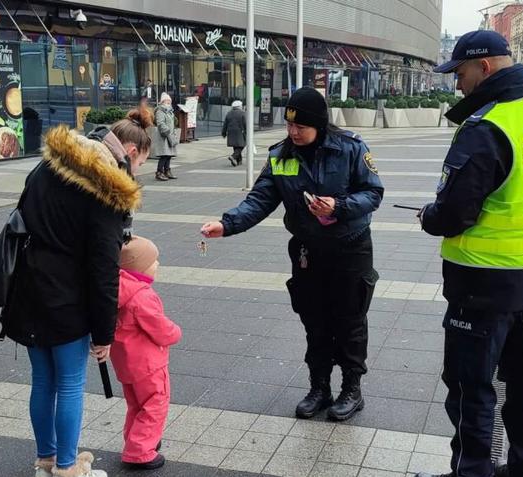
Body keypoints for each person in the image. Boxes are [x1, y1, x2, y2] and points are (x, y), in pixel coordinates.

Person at [413, 30, 523, 477]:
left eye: (461, 73)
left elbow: (454, 214)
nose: (458, 84)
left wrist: (429, 215)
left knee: (473, 388)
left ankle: (473, 475)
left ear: (485, 67)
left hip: (483, 284)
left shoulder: (488, 127)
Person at [201, 87, 384, 421]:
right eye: (289, 125)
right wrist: (227, 225)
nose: (293, 132)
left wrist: (339, 206)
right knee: (314, 320)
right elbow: (260, 199)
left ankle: (351, 389)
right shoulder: (281, 156)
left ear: (319, 123)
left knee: (349, 320)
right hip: (307, 250)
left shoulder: (350, 149)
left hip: (350, 248)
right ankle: (319, 387)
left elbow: (373, 192)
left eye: (301, 126)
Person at [0, 109, 152, 477]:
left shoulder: (45, 168)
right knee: (69, 382)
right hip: (67, 300)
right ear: (129, 152)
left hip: (28, 291)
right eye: (141, 164)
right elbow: (104, 271)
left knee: (43, 381)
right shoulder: (106, 189)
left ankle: (46, 462)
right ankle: (69, 469)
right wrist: (104, 334)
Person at [110, 235, 182, 470]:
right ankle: (139, 451)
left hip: (126, 363)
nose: (158, 264)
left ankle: (136, 438)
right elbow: (159, 328)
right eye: (154, 261)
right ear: (140, 266)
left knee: (136, 404)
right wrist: (175, 332)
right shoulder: (142, 296)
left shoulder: (116, 289)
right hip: (149, 364)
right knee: (155, 403)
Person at [153, 93, 178, 181]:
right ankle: (159, 172)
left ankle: (167, 171)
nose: (169, 102)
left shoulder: (170, 111)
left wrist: (173, 133)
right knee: (164, 155)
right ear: (163, 101)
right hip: (163, 137)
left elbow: (173, 123)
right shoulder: (160, 111)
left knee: (169, 155)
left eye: (169, 101)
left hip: (170, 136)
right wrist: (167, 132)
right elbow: (160, 123)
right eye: (167, 101)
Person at [222, 100, 246, 166]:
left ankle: (239, 161)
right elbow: (245, 123)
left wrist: (223, 133)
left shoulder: (229, 113)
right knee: (242, 145)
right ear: (239, 106)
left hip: (230, 132)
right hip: (239, 132)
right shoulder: (242, 113)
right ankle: (233, 157)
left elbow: (225, 124)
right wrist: (247, 131)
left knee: (235, 145)